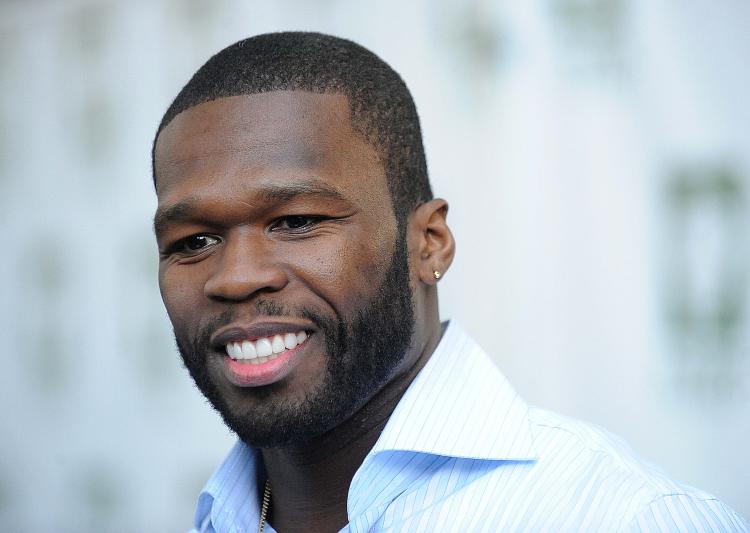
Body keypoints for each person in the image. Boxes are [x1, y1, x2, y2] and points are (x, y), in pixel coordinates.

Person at [152, 32, 747, 533]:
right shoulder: (217, 517)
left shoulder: (621, 516)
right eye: (194, 242)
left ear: (427, 243)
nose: (235, 278)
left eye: (298, 222)